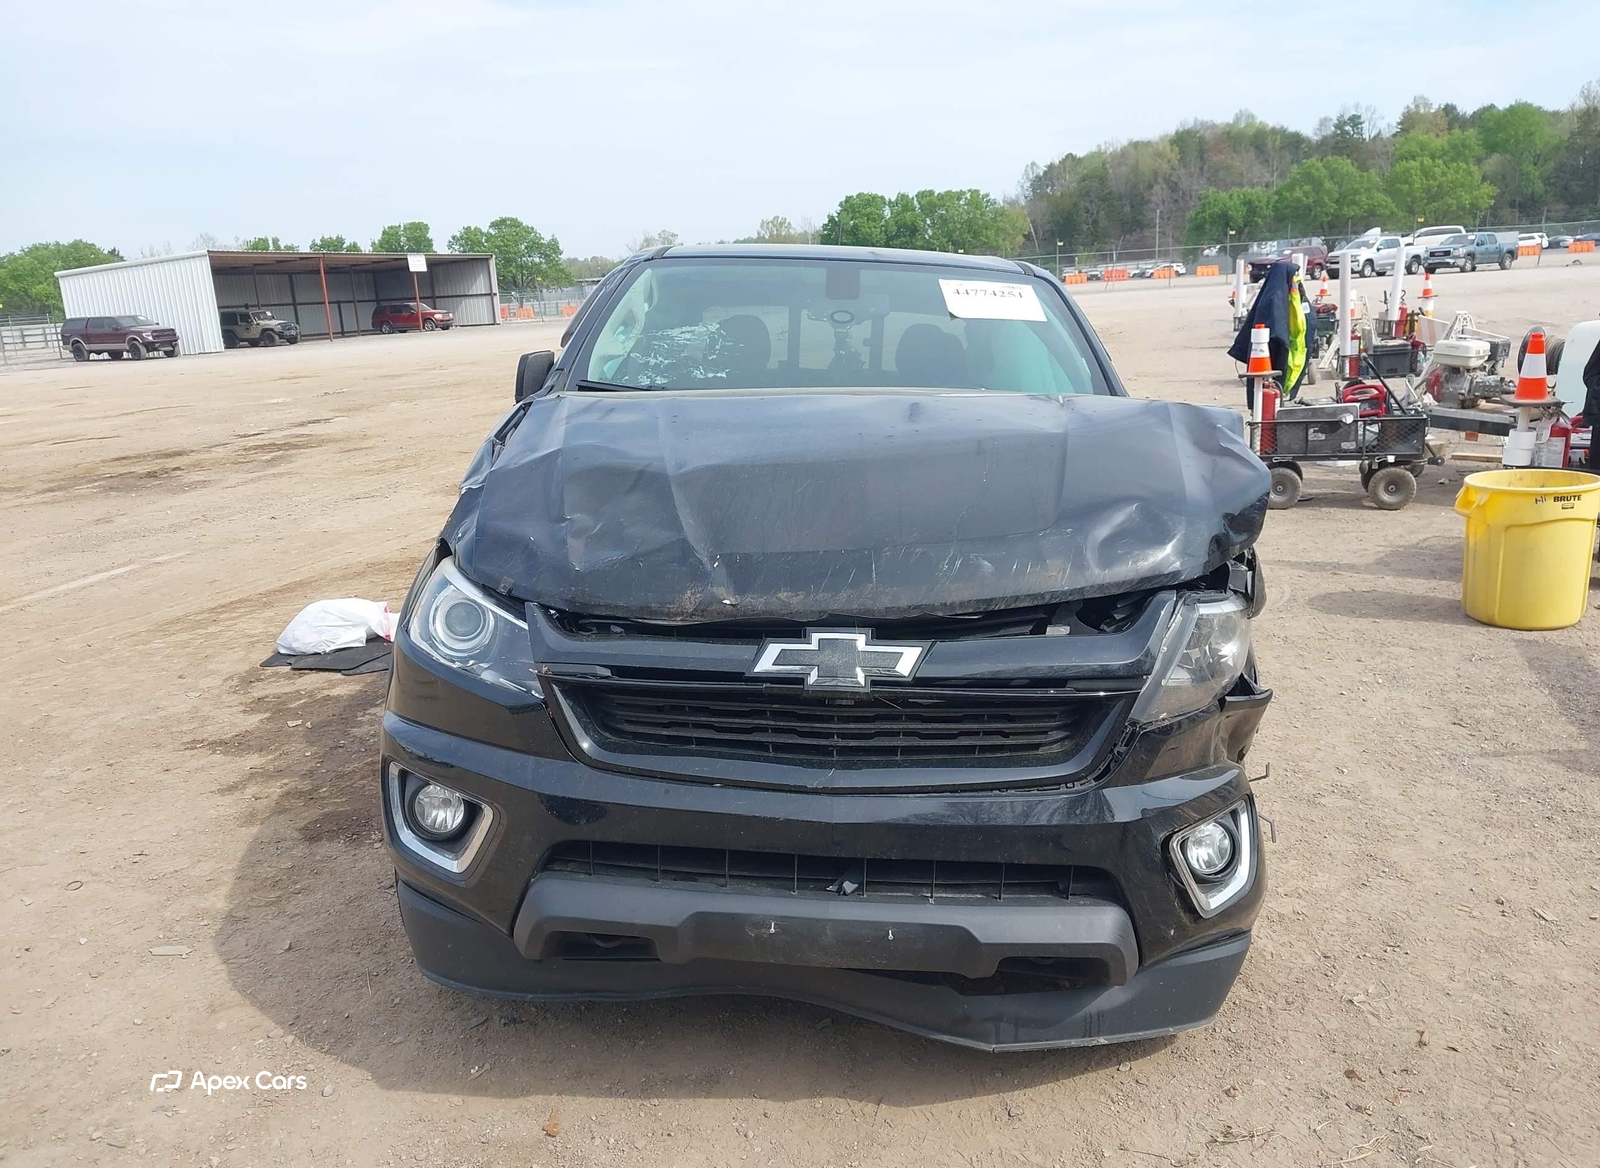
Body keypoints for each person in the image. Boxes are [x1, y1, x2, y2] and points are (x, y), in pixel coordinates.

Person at [1226, 259, 1311, 408]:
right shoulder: (1274, 297)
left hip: (1287, 348)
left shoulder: (1288, 294)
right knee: (1266, 397)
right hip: (1271, 350)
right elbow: (1274, 323)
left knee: (1273, 395)